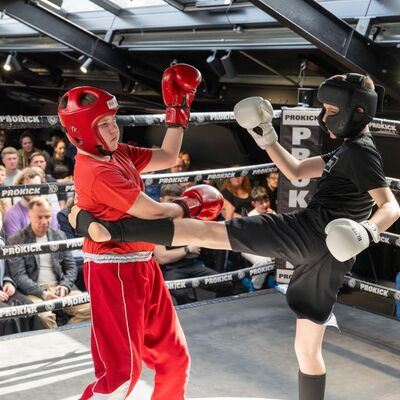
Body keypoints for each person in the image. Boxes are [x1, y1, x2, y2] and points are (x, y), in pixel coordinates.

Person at [70, 73, 400, 400]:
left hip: (309, 234)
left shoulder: (362, 154)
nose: (324, 116)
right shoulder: (345, 152)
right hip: (328, 257)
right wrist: (267, 136)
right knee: (306, 348)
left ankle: (108, 229)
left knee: (206, 230)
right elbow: (296, 171)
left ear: (354, 111)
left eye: (329, 110)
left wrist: (369, 229)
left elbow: (391, 206)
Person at [57, 63, 223, 400]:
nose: (114, 130)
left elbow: (169, 155)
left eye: (113, 121)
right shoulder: (96, 171)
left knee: (175, 358)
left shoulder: (117, 153)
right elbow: (156, 212)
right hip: (113, 271)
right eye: (104, 125)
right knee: (121, 376)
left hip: (144, 262)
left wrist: (177, 109)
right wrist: (191, 203)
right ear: (82, 131)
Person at [7, 197, 90, 329]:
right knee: (43, 316)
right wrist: (43, 293)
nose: (44, 221)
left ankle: (64, 335)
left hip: (60, 287)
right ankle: (57, 340)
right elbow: (19, 276)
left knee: (90, 308)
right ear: (29, 216)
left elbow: (71, 267)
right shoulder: (16, 240)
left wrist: (65, 286)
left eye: (47, 216)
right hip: (34, 292)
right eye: (39, 217)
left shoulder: (59, 235)